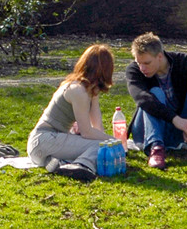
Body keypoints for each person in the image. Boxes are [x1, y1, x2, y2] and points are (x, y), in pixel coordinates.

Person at [125, 32, 187, 169]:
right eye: (139, 62)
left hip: (183, 131)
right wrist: (175, 119)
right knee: (154, 93)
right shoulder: (134, 70)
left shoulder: (185, 62)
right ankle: (156, 148)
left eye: (147, 63)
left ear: (160, 56)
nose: (142, 68)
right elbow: (142, 99)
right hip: (147, 130)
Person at [27, 44, 118, 183]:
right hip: (44, 139)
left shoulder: (90, 89)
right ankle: (81, 165)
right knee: (99, 146)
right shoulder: (78, 90)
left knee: (103, 145)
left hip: (48, 143)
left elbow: (97, 124)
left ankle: (59, 163)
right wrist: (113, 141)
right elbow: (87, 132)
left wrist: (110, 149)